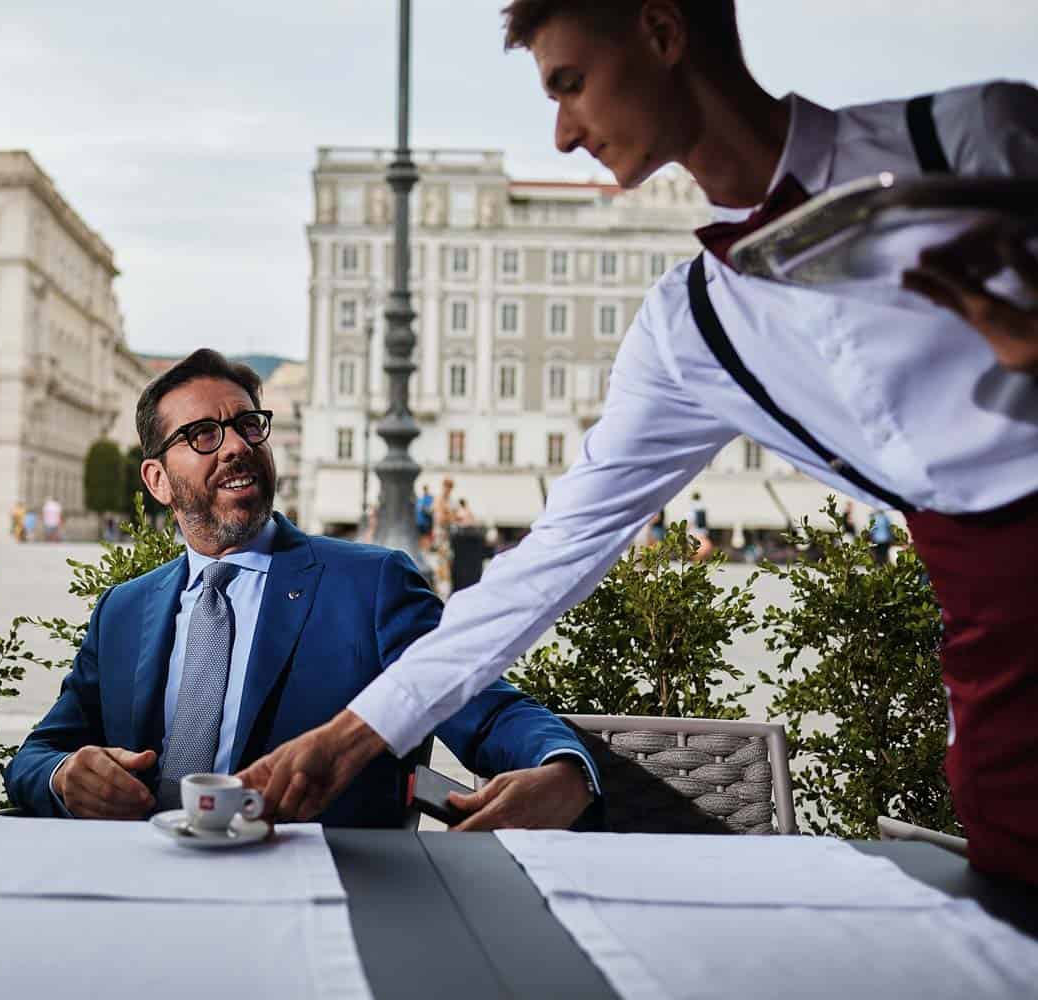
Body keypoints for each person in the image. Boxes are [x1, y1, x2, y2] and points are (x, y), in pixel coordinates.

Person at [240, 1, 1038, 885]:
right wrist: (354, 736)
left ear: (662, 33)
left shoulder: (976, 138)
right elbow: (551, 560)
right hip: (999, 683)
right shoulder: (686, 330)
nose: (563, 133)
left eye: (571, 85)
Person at [4, 349, 598, 829]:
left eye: (246, 425)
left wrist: (562, 769)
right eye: (203, 434)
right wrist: (64, 776)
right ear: (157, 479)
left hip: (318, 903)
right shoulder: (123, 611)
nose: (236, 444)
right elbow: (35, 757)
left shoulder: (370, 587)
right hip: (137, 896)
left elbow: (484, 706)